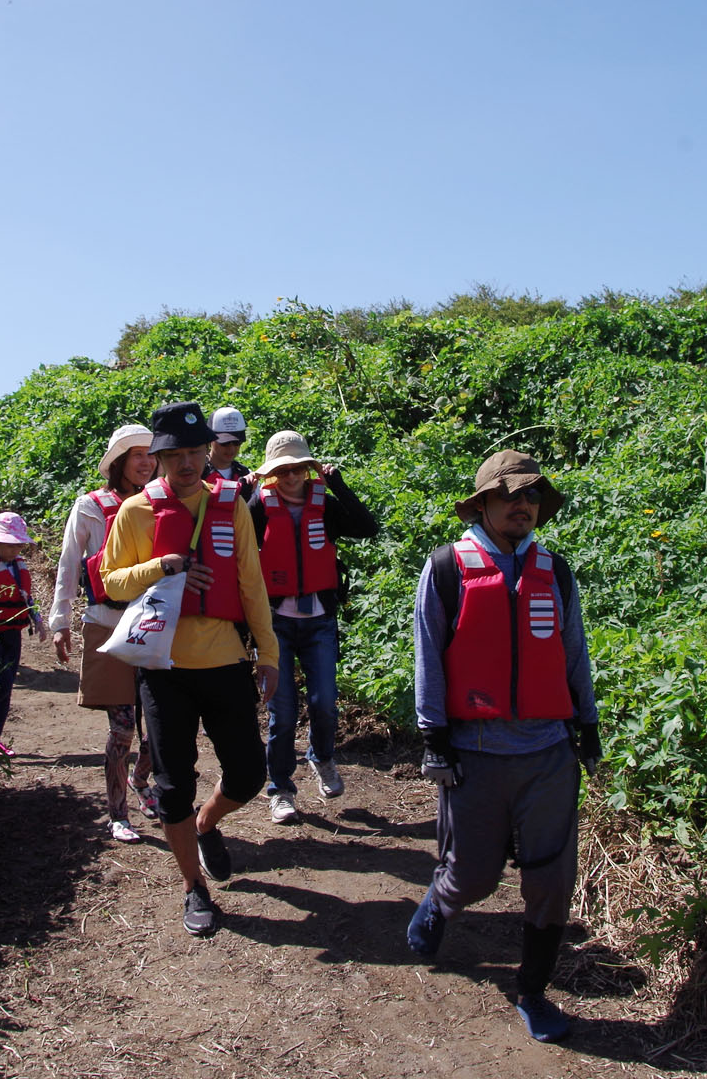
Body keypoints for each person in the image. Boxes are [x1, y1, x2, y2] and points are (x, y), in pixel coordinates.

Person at [406, 450, 603, 1045]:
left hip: (547, 753)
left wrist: (587, 728)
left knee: (551, 881)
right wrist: (435, 737)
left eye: (531, 496)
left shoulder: (556, 570)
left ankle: (534, 992)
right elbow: (429, 657)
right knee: (473, 876)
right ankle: (441, 903)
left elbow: (574, 653)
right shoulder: (447, 568)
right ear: (483, 504)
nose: (522, 505)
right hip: (475, 750)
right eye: (508, 495)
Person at [101, 401, 280, 938]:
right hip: (164, 666)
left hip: (225, 659)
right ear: (155, 458)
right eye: (173, 455)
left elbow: (251, 581)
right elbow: (111, 582)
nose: (185, 464)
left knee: (250, 773)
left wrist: (267, 654)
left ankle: (207, 824)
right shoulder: (136, 512)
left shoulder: (233, 506)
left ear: (209, 453)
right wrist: (163, 565)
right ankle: (192, 888)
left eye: (194, 452)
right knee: (173, 785)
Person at [245, 430, 381, 824]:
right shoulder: (258, 505)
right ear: (272, 473)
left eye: (298, 469)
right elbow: (234, 542)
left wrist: (337, 482)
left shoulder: (326, 505)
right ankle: (281, 790)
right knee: (282, 713)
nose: (291, 477)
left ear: (308, 469)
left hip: (320, 620)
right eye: (283, 470)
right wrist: (240, 490)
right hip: (276, 624)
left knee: (325, 704)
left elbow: (367, 527)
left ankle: (321, 757)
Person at [52, 423, 161, 844]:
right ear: (118, 462)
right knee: (122, 727)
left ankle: (141, 780)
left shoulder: (161, 502)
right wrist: (60, 621)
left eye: (151, 455)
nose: (146, 463)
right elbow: (68, 564)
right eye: (137, 455)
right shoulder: (91, 505)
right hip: (105, 622)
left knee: (158, 725)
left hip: (152, 623)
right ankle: (118, 814)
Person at [0, 512, 47, 757]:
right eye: (10, 545)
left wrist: (38, 620)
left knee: (8, 685)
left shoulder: (19, 565)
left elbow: (27, 597)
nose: (15, 550)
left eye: (18, 545)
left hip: (13, 631)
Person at [207, 406, 255, 496]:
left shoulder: (246, 475)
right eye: (224, 443)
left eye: (236, 443)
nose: (231, 449)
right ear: (210, 439)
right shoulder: (197, 474)